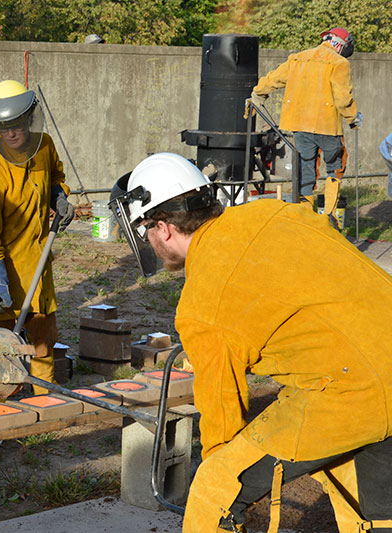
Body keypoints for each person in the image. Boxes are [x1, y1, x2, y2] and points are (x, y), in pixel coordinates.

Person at [110, 152, 392, 532]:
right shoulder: (276, 213)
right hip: (375, 366)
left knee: (215, 488)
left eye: (146, 233)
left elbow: (221, 416)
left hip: (354, 388)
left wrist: (221, 469)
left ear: (162, 228)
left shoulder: (202, 304)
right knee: (372, 498)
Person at [0, 80, 74, 395]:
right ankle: (1, 405)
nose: (11, 133)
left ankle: (45, 397)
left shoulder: (44, 146)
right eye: (3, 128)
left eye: (17, 125)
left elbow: (55, 175)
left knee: (42, 336)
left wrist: (59, 196)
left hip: (35, 260)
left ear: (29, 119)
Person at [250, 27, 361, 224]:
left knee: (305, 170)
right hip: (327, 127)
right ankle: (329, 219)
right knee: (335, 168)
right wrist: (353, 118)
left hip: (299, 126)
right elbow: (343, 98)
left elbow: (274, 78)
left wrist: (258, 93)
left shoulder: (298, 58)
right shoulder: (338, 63)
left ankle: (305, 220)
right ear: (340, 45)